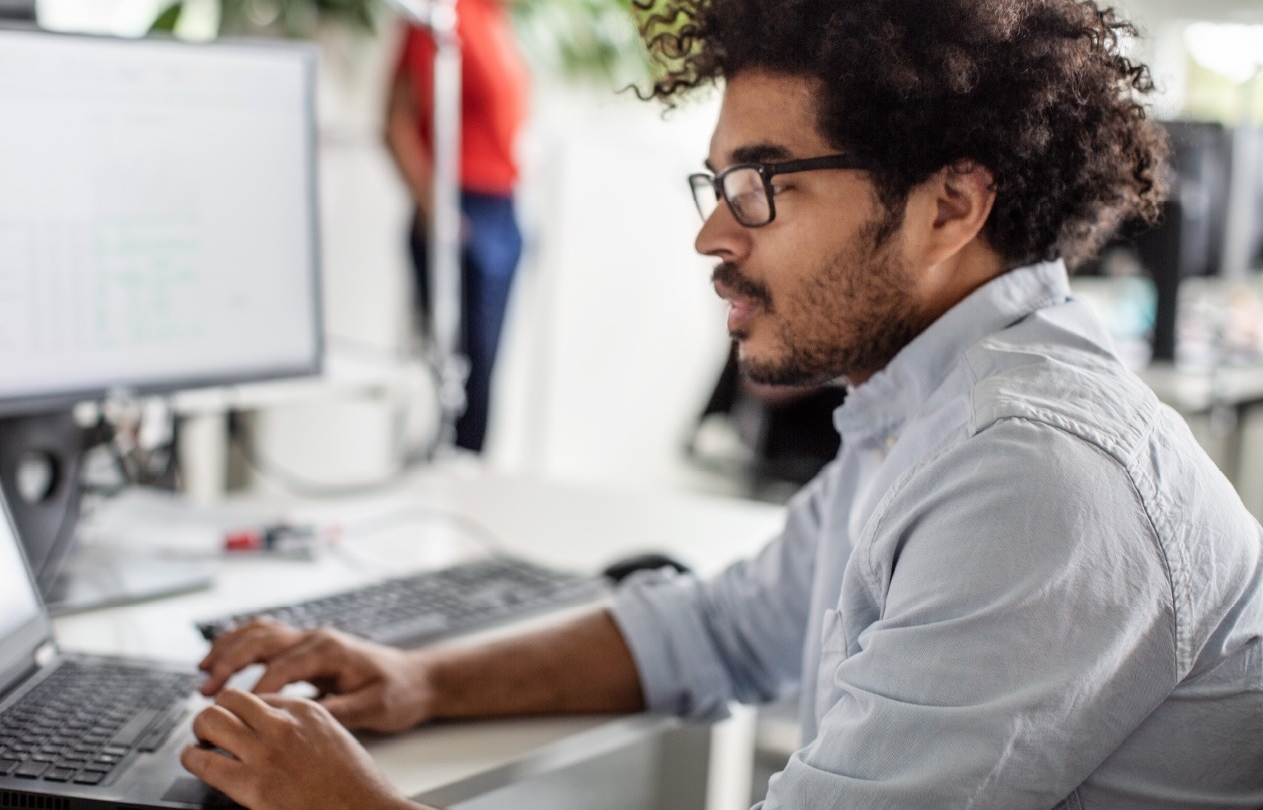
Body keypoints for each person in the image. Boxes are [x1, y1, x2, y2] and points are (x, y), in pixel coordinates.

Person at [179, 0, 1263, 807]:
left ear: (951, 207)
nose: (713, 234)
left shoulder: (1033, 475)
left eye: (763, 184)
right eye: (717, 184)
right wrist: (418, 681)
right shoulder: (927, 407)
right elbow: (723, 628)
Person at [385, 0, 529, 453]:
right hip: (462, 211)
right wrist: (442, 214)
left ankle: (468, 488)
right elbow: (395, 123)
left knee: (484, 379)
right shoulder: (440, 14)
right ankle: (445, 487)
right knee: (460, 379)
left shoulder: (496, 18)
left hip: (503, 210)